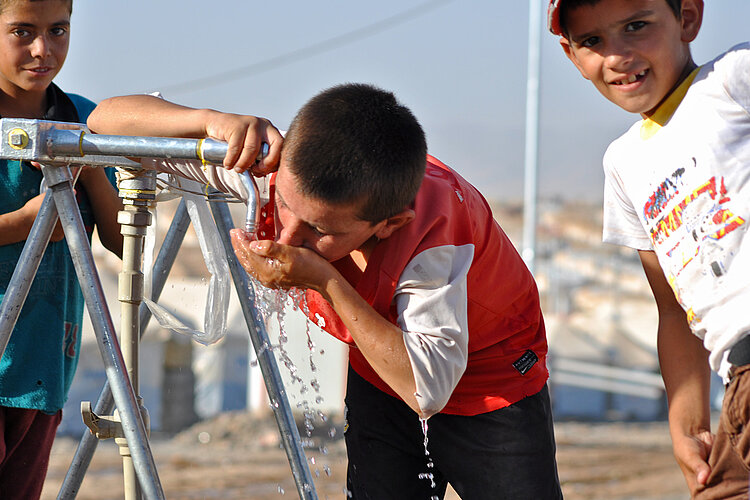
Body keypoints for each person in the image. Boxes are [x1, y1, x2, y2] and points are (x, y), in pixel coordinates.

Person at [88, 83, 563, 499]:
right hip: (382, 367)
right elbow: (105, 123)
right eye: (285, 207)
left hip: (493, 382)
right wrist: (211, 122)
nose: (289, 238)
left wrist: (324, 279)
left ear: (388, 224)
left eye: (319, 230)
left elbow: (426, 387)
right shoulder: (272, 170)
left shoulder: (434, 237)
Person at [548, 0, 750, 498]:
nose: (617, 55)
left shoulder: (731, 81)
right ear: (572, 56)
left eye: (636, 26)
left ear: (687, 18)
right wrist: (686, 424)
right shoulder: (624, 163)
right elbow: (674, 310)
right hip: (739, 381)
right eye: (592, 41)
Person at [0, 1, 123, 497]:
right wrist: (25, 225)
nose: (41, 50)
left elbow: (123, 239)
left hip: (43, 360)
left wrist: (86, 159)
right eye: (22, 32)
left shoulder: (80, 117)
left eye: (57, 31)